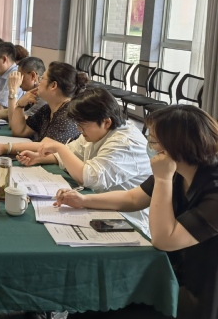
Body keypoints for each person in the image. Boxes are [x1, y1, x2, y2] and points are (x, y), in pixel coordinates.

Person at [56, 105, 218, 319]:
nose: (151, 147)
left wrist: (162, 179)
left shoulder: (204, 185)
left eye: (154, 142)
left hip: (199, 292)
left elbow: (164, 239)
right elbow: (133, 198)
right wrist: (84, 200)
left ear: (178, 145)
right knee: (92, 303)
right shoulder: (178, 171)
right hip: (168, 271)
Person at [18, 87, 152, 235]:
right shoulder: (98, 132)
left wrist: (59, 148)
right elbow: (73, 152)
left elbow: (89, 178)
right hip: (101, 205)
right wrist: (40, 157)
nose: (78, 129)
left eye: (82, 124)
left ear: (106, 122)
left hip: (129, 219)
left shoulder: (125, 143)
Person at [0, 61, 86, 156]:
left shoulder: (68, 114)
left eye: (42, 78)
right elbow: (20, 131)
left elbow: (45, 147)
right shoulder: (47, 109)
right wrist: (20, 106)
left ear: (53, 85)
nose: (38, 82)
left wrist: (5, 148)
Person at [0, 56, 46, 120]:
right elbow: (8, 112)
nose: (18, 79)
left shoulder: (42, 99)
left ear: (33, 76)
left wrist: (13, 90)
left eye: (20, 75)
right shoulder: (30, 93)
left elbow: (14, 122)